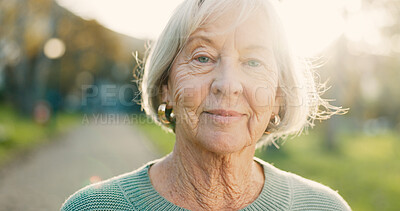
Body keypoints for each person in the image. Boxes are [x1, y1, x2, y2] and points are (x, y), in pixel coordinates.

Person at [61, 0, 351, 210]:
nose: (227, 84)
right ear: (166, 89)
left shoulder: (323, 207)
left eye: (253, 62)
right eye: (203, 57)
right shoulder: (92, 207)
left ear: (277, 97)